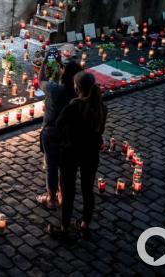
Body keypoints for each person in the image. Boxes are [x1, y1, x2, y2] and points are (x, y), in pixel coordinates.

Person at [49, 71, 107, 238]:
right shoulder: (102, 108)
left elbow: (58, 124)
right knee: (88, 190)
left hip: (71, 153)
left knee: (68, 192)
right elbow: (100, 130)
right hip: (91, 153)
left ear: (77, 88)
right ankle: (84, 223)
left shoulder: (73, 106)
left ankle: (65, 227)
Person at [37, 55, 82, 209]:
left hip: (51, 132)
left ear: (65, 73)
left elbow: (40, 80)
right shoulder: (79, 93)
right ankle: (62, 194)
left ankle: (52, 199)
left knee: (51, 165)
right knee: (64, 165)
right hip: (71, 135)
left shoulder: (55, 90)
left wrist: (44, 62)